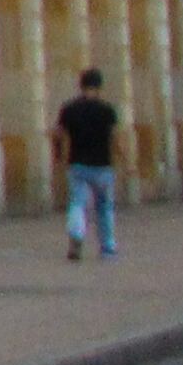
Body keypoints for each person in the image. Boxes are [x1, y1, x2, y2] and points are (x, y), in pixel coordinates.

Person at [58, 67, 123, 261]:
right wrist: (125, 161)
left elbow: (61, 136)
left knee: (77, 204)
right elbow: (115, 139)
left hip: (78, 164)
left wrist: (61, 160)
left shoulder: (69, 110)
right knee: (104, 207)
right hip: (103, 166)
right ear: (99, 87)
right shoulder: (107, 110)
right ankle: (108, 247)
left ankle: (77, 235)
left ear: (81, 86)